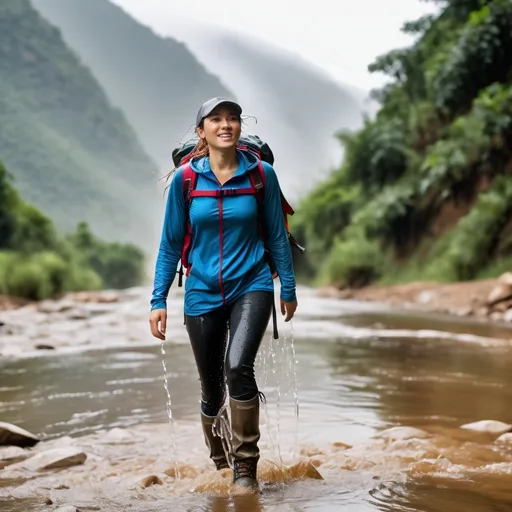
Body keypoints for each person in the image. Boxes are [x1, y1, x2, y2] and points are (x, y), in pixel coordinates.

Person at [149, 97, 298, 489]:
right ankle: (221, 460)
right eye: (216, 119)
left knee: (237, 368)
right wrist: (158, 300)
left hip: (252, 285)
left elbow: (278, 236)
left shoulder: (260, 175)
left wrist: (289, 287)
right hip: (200, 292)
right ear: (202, 132)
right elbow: (169, 244)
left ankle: (246, 467)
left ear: (239, 128)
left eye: (232, 118)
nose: (225, 124)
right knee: (212, 389)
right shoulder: (186, 182)